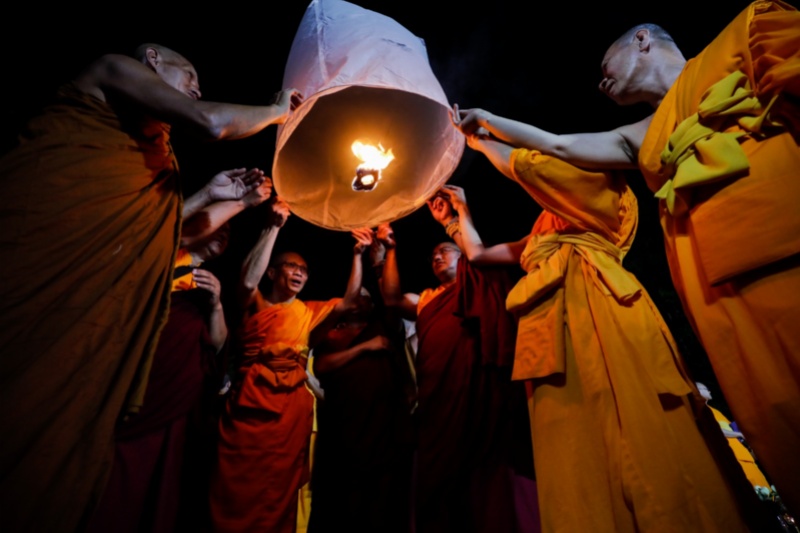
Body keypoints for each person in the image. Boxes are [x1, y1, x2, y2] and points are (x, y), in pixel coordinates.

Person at [453, 0, 800, 516]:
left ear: (641, 39)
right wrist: (486, 130)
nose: (601, 83)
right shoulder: (643, 135)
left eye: (603, 68)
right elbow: (560, 147)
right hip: (714, 293)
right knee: (779, 422)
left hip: (783, 241)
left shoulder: (745, 33)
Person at [0, 42, 300, 531]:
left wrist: (220, 197)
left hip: (76, 308)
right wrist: (275, 111)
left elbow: (158, 236)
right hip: (35, 260)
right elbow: (207, 122)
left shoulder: (154, 161)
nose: (198, 89)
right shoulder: (112, 70)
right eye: (191, 75)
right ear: (154, 59)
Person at [85, 175, 273, 533]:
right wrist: (229, 200)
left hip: (176, 396)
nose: (223, 234)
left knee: (160, 482)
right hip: (133, 380)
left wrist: (216, 306)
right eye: (219, 227)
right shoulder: (163, 257)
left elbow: (218, 347)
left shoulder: (206, 284)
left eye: (228, 235)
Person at [210, 198, 371, 533]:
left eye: (304, 270)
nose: (299, 272)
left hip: (289, 410)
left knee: (279, 484)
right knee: (235, 481)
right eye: (291, 266)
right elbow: (246, 282)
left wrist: (357, 255)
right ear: (272, 271)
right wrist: (273, 228)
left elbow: (350, 300)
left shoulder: (308, 311)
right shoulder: (255, 304)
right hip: (249, 403)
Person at [377, 220, 535, 533]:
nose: (438, 257)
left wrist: (457, 223)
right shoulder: (425, 299)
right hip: (438, 395)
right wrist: (391, 250)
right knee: (440, 468)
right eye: (434, 255)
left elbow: (480, 259)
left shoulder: (480, 287)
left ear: (462, 258)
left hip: (477, 390)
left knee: (485, 469)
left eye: (446, 252)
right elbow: (393, 299)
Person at [307, 286, 414, 533]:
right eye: (353, 297)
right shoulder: (331, 334)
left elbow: (392, 300)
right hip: (343, 424)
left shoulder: (383, 328)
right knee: (341, 494)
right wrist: (364, 347)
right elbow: (321, 366)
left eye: (364, 298)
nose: (358, 302)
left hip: (383, 427)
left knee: (382, 498)